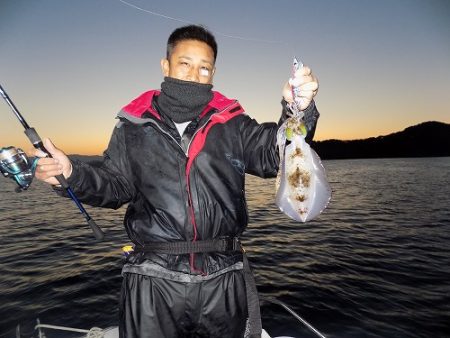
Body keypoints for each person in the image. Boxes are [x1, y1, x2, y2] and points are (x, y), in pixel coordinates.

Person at [33, 25, 320, 338]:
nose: (194, 74)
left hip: (224, 276)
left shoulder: (232, 120)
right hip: (153, 279)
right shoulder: (133, 125)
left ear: (213, 72)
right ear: (165, 65)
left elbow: (273, 153)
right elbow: (115, 185)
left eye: (204, 68)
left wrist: (300, 109)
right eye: (185, 64)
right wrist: (71, 174)